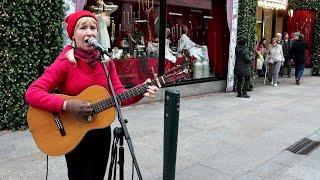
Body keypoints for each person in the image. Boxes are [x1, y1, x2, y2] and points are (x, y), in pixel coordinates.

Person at [25, 10, 159, 180]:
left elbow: (118, 95)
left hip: (100, 131)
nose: (89, 32)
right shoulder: (65, 63)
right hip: (73, 134)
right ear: (73, 34)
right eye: (83, 28)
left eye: (93, 27)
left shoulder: (106, 62)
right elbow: (32, 92)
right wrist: (66, 105)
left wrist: (141, 91)